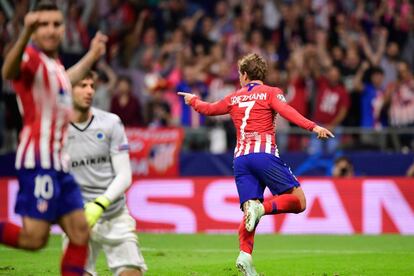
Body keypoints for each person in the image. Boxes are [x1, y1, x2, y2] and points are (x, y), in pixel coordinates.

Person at [178, 53, 334, 276]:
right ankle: (261, 209)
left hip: (241, 161)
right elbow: (287, 112)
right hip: (264, 155)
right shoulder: (272, 92)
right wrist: (313, 127)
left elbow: (209, 109)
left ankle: (245, 257)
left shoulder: (233, 98)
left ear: (243, 75)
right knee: (298, 201)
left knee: (248, 213)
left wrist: (193, 100)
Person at [0, 1, 107, 275]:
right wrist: (24, 33)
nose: (50, 30)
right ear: (34, 31)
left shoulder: (54, 65)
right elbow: (8, 72)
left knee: (81, 233)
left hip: (60, 165)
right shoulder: (31, 58)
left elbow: (66, 79)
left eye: (55, 24)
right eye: (42, 25)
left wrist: (92, 55)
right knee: (35, 239)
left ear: (63, 28)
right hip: (38, 162)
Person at [65, 71, 147, 276]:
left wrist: (100, 204)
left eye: (92, 86)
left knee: (131, 273)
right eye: (82, 86)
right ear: (68, 89)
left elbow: (125, 175)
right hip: (77, 218)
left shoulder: (111, 122)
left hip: (113, 214)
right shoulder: (58, 127)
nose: (89, 91)